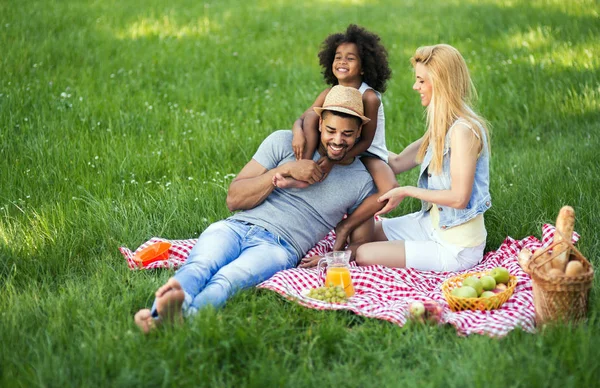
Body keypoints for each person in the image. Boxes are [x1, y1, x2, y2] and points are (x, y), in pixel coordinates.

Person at [134, 85, 376, 333]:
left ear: (359, 132)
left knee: (228, 279)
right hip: (235, 227)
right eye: (331, 130)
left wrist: (328, 259)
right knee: (199, 265)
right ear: (320, 123)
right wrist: (282, 171)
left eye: (347, 134)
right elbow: (234, 198)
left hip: (280, 247)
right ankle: (165, 313)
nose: (337, 140)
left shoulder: (361, 181)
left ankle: (170, 319)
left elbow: (362, 243)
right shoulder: (284, 143)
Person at [355, 44, 491, 272]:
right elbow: (397, 163)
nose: (415, 86)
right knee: (364, 233)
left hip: (456, 247)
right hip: (431, 226)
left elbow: (459, 198)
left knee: (362, 253)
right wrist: (355, 143)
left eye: (421, 80)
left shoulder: (464, 131)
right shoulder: (441, 127)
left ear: (440, 83)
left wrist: (406, 191)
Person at [284, 24, 398, 255]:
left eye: (351, 58)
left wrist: (332, 161)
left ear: (364, 67)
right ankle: (303, 169)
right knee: (310, 120)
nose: (342, 62)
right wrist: (297, 131)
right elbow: (305, 117)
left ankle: (345, 225)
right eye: (338, 57)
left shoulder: (369, 97)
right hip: (333, 144)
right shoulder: (331, 92)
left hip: (366, 152)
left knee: (390, 189)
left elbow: (366, 141)